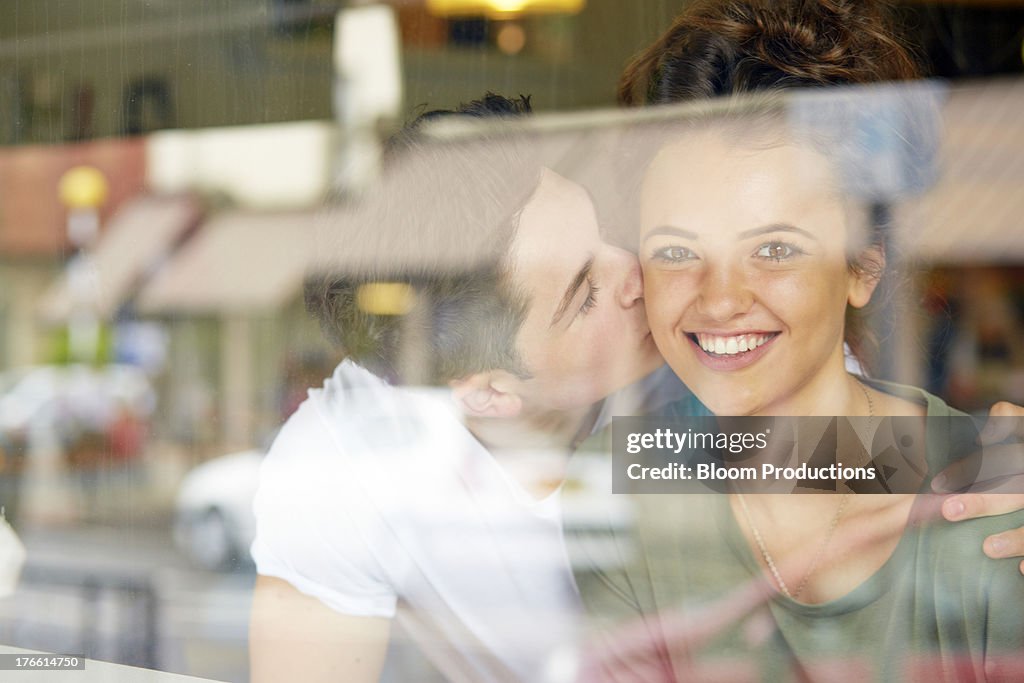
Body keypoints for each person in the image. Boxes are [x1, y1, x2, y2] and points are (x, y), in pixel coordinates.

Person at [571, 2, 1024, 680]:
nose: (720, 299)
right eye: (675, 250)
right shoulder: (624, 477)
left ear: (864, 265)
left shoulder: (987, 480)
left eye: (775, 248)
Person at [249, 95, 669, 683]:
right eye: (586, 294)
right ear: (490, 391)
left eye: (610, 230)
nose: (638, 270)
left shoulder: (718, 325)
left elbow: (840, 464)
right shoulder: (342, 468)